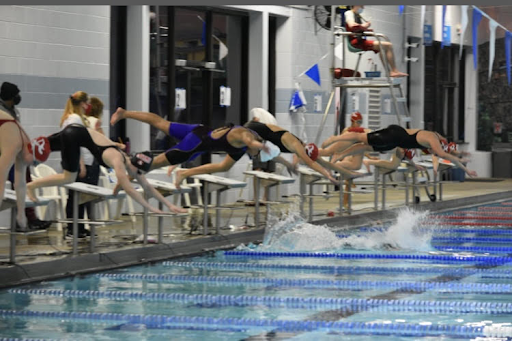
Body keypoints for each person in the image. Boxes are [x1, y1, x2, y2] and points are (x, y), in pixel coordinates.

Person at [26, 124, 187, 216]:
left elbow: (147, 187)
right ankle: (31, 185)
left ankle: (27, 151)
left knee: (38, 149)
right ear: (136, 166)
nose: (138, 175)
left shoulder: (128, 161)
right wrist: (151, 208)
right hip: (74, 136)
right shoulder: (118, 160)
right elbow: (130, 189)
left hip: (75, 131)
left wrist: (169, 205)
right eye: (139, 172)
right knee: (69, 178)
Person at [110, 107, 267, 188]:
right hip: (194, 144)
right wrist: (261, 146)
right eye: (258, 151)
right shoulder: (243, 135)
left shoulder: (240, 150)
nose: (256, 154)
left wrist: (187, 172)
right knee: (153, 164)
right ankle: (124, 179)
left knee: (161, 123)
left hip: (199, 131)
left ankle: (124, 113)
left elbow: (222, 166)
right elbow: (250, 141)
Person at [321, 124, 478, 177]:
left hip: (393, 143)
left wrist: (466, 167)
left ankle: (340, 155)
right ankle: (333, 139)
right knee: (360, 138)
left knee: (363, 147)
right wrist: (464, 163)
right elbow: (444, 155)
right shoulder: (432, 138)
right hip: (392, 134)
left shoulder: (438, 141)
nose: (433, 152)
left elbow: (447, 154)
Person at [243, 120, 364, 185]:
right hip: (253, 128)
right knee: (253, 152)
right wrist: (327, 175)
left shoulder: (297, 145)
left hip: (264, 133)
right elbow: (311, 163)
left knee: (261, 154)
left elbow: (321, 162)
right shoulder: (295, 145)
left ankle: (350, 173)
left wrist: (290, 165)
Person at [0, 81, 52, 230]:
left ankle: (29, 219)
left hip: (12, 149)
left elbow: (21, 184)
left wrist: (21, 214)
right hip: (4, 151)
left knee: (23, 179)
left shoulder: (14, 113)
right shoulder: (14, 141)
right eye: (16, 95)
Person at [60, 91, 98, 238]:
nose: (88, 105)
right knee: (75, 197)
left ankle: (79, 227)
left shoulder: (74, 117)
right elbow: (75, 143)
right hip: (77, 162)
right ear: (82, 103)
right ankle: (72, 229)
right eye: (87, 102)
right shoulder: (74, 118)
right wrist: (80, 164)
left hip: (79, 161)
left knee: (79, 197)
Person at [345, 6, 408, 77]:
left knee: (383, 48)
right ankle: (393, 71)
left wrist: (365, 28)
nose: (363, 8)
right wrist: (365, 25)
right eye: (361, 6)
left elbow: (357, 28)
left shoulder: (357, 15)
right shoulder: (349, 13)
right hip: (356, 43)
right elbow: (352, 25)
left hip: (359, 41)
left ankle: (390, 72)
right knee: (388, 45)